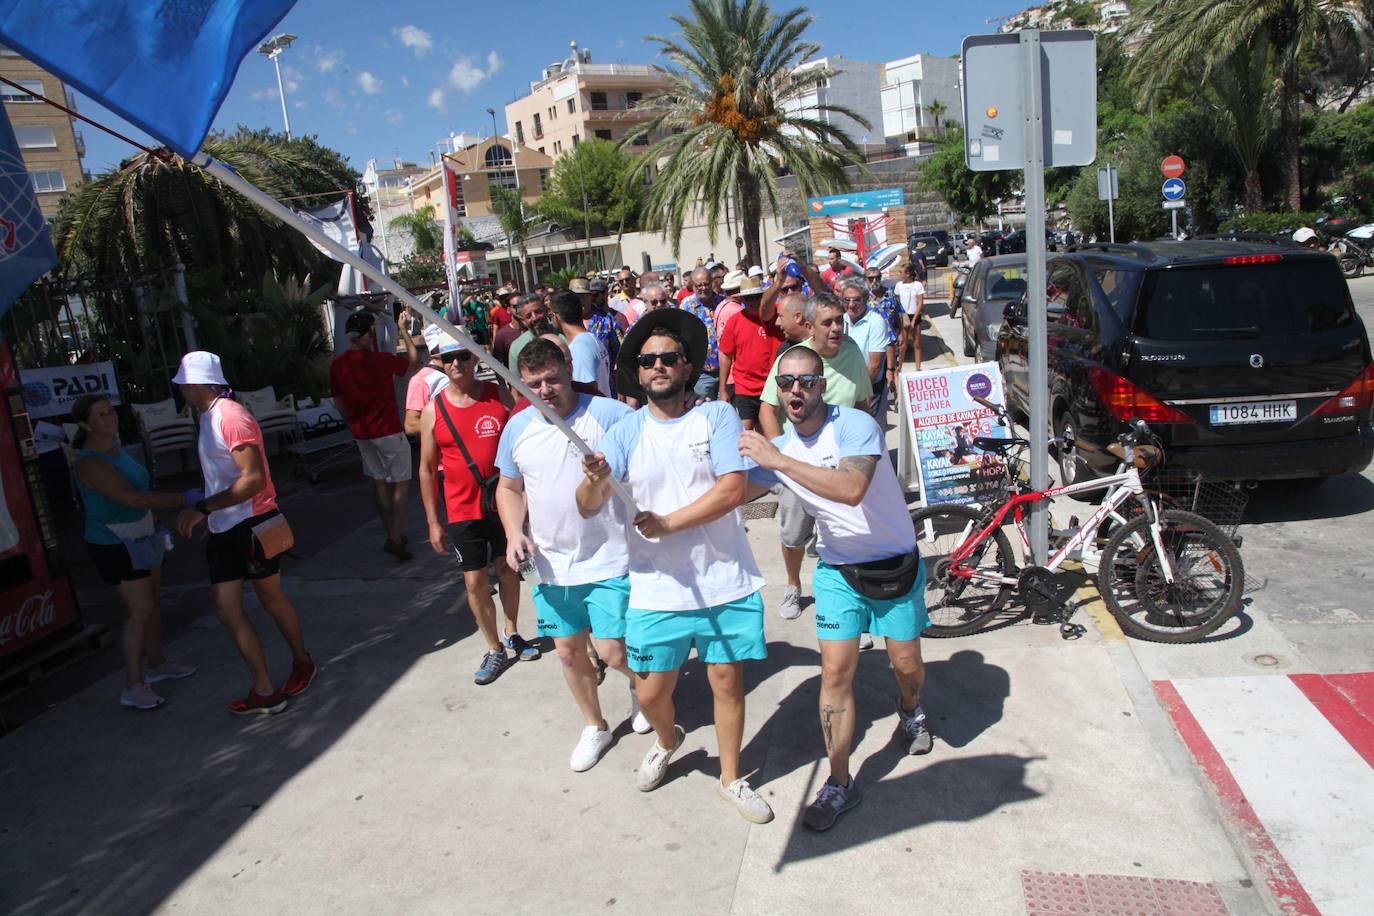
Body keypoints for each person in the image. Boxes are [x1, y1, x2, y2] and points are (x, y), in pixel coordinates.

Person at [575, 311, 773, 824]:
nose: (659, 366)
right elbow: (588, 504)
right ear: (638, 374)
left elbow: (733, 490)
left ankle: (731, 778)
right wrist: (594, 478)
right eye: (648, 361)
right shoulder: (624, 431)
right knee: (651, 690)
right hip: (655, 587)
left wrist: (669, 524)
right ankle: (668, 739)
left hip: (724, 579)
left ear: (688, 368)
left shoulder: (717, 418)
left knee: (727, 684)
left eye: (669, 358)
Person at [740, 345, 932, 832]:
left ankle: (910, 710)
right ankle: (840, 783)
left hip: (894, 566)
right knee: (835, 672)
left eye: (805, 381)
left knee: (905, 664)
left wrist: (778, 461)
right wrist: (665, 515)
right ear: (776, 391)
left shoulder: (854, 425)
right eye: (785, 383)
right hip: (837, 572)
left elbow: (850, 489)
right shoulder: (782, 447)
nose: (795, 390)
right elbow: (731, 493)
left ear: (822, 384)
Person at [496, 339, 650, 772]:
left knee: (614, 651)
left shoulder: (609, 415)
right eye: (532, 384)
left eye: (551, 380)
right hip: (550, 563)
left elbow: (650, 463)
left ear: (569, 369)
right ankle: (595, 725)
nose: (544, 390)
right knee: (567, 652)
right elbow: (508, 488)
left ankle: (645, 691)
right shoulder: (518, 428)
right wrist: (512, 533)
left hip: (612, 556)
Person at [171, 351, 314, 715]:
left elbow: (254, 480)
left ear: (198, 383)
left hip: (253, 524)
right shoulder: (208, 416)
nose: (180, 389)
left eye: (183, 383)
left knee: (271, 599)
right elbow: (224, 477)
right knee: (225, 607)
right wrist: (213, 517)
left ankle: (302, 662)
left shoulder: (231, 416)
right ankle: (264, 689)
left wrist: (202, 509)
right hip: (225, 528)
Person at [418, 331, 538, 685]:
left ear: (475, 358)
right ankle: (494, 647)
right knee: (474, 583)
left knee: (508, 568)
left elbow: (522, 445)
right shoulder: (433, 410)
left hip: (501, 501)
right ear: (439, 362)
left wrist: (527, 496)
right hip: (461, 508)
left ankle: (513, 630)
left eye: (464, 356)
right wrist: (432, 522)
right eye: (449, 358)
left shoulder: (496, 395)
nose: (458, 363)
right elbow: (426, 469)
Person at [71, 394, 199, 710]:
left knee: (152, 604)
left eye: (111, 412)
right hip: (114, 544)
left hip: (144, 535)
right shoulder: (89, 462)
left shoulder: (116, 450)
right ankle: (133, 685)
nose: (110, 418)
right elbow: (133, 498)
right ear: (85, 423)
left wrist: (157, 528)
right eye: (100, 415)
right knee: (140, 610)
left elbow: (140, 495)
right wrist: (186, 499)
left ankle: (158, 664)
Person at [759, 293, 873, 624]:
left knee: (844, 538)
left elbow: (863, 405)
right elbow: (768, 408)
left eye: (841, 320)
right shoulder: (796, 359)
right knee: (794, 536)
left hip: (842, 468)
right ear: (810, 327)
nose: (837, 327)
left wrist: (869, 452)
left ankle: (848, 607)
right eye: (828, 322)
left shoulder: (852, 352)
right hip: (798, 466)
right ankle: (793, 585)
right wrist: (778, 455)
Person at [330, 309, 421, 562]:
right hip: (388, 430)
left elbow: (338, 401)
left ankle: (392, 532)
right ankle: (394, 537)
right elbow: (413, 361)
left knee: (380, 482)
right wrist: (403, 328)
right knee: (401, 482)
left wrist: (353, 418)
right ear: (370, 333)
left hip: (362, 432)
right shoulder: (380, 360)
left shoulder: (338, 365)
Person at [717, 275, 783, 430]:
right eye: (748, 298)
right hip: (744, 387)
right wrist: (722, 388)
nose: (753, 302)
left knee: (767, 432)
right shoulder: (734, 321)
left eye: (757, 297)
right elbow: (725, 355)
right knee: (744, 432)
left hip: (772, 386)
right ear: (743, 300)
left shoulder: (778, 315)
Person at [838, 277, 894, 420]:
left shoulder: (876, 322)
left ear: (866, 299)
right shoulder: (840, 320)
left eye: (856, 300)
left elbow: (874, 366)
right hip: (844, 388)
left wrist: (861, 392)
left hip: (867, 388)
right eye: (846, 300)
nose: (851, 305)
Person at [551, 289, 611, 397]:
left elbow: (588, 391)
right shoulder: (590, 339)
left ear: (556, 316)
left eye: (550, 316)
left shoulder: (580, 348)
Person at [679, 267, 723, 400]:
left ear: (712, 282)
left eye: (706, 284)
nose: (703, 288)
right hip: (702, 373)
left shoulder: (723, 302)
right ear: (693, 286)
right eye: (699, 285)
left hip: (725, 371)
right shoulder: (686, 307)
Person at [403, 325, 450, 437]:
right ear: (434, 349)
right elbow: (411, 425)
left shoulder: (463, 369)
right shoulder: (420, 380)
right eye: (445, 344)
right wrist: (449, 428)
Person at [863, 269, 903, 396]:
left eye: (877, 278)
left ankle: (897, 397)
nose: (874, 281)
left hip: (891, 340)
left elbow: (899, 314)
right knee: (876, 370)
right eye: (870, 278)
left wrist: (902, 333)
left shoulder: (890, 294)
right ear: (866, 280)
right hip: (873, 343)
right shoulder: (863, 297)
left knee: (893, 370)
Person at [506, 292, 557, 374]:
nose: (535, 318)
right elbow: (516, 384)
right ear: (523, 320)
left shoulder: (563, 335)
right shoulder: (517, 347)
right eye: (528, 316)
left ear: (546, 311)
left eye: (538, 312)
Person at [894, 262, 926, 370]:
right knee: (903, 343)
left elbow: (920, 302)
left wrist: (914, 320)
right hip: (904, 316)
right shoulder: (899, 285)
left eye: (901, 272)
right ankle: (900, 367)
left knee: (917, 342)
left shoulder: (917, 285)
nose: (899, 274)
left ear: (908, 274)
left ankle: (918, 367)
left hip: (914, 315)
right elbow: (897, 301)